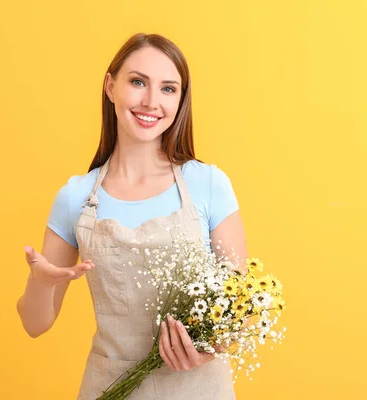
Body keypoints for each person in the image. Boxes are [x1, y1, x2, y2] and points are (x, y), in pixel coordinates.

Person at [16, 33, 247, 399]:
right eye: (138, 82)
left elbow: (240, 307)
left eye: (168, 89)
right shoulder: (75, 197)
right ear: (111, 86)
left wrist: (208, 348)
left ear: (180, 99)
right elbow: (34, 324)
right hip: (108, 388)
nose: (151, 102)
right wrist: (42, 282)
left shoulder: (208, 184)